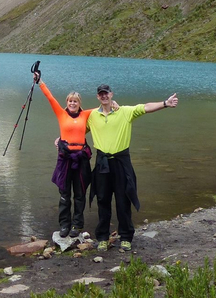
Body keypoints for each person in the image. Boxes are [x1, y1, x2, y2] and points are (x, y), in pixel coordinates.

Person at [88, 83, 178, 253]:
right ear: (97, 97)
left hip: (121, 162)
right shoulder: (92, 115)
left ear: (111, 94)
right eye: (101, 94)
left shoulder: (125, 112)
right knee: (102, 200)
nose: (104, 96)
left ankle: (126, 237)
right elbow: (76, 127)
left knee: (123, 200)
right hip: (102, 163)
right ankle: (102, 237)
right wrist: (62, 140)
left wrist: (165, 103)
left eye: (106, 93)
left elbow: (145, 107)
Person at [33, 66, 93, 238]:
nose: (72, 103)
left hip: (81, 159)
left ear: (79, 103)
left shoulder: (86, 115)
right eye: (70, 101)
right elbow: (50, 97)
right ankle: (64, 225)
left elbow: (103, 109)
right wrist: (40, 81)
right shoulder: (61, 114)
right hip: (65, 159)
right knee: (65, 194)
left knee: (80, 194)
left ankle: (77, 225)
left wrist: (114, 104)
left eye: (75, 101)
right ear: (66, 102)